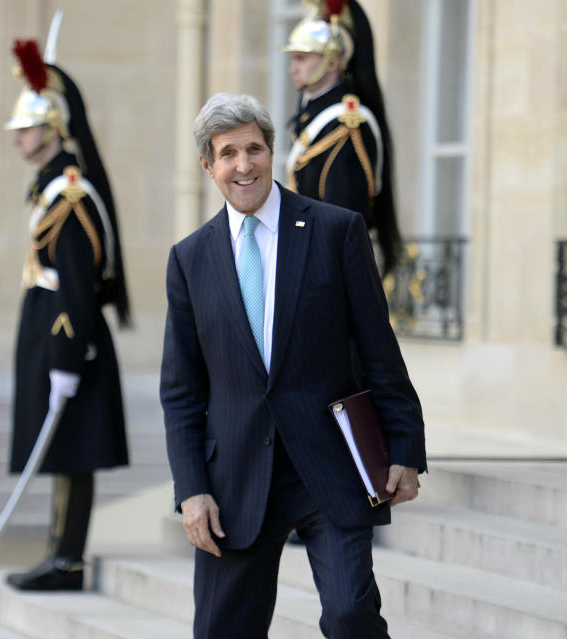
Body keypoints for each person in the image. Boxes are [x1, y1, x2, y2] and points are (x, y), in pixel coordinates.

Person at [160, 92, 426, 638]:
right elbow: (182, 390)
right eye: (228, 153)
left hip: (329, 462)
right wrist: (191, 488)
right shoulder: (190, 259)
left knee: (352, 615)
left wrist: (405, 447)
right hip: (233, 476)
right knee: (221, 630)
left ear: (271, 152)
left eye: (254, 149)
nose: (244, 165)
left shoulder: (335, 230)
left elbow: (379, 348)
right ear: (208, 166)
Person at [3, 38, 131, 591]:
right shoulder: (52, 186)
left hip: (66, 331)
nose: (19, 136)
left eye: (28, 128)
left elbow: (77, 285)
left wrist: (65, 354)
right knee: (62, 449)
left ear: (54, 127)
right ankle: (59, 553)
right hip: (50, 327)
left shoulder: (70, 193)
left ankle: (67, 559)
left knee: (71, 449)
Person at [284, 0, 402, 274]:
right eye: (293, 58)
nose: (293, 68)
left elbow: (344, 215)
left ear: (333, 60)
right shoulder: (312, 113)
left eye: (302, 58)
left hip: (328, 269)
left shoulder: (347, 123)